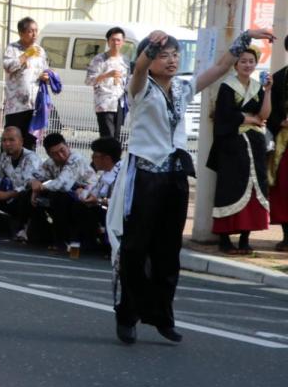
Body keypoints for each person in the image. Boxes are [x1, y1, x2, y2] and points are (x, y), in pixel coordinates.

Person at [107, 26, 275, 345]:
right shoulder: (140, 89)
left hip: (175, 176)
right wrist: (148, 51)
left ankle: (162, 317)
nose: (171, 60)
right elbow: (140, 68)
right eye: (163, 55)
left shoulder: (183, 88)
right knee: (135, 247)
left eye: (174, 54)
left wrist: (246, 36)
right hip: (144, 176)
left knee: (169, 251)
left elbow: (220, 67)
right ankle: (127, 314)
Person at [208, 47, 271, 255]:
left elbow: (263, 115)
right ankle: (224, 239)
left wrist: (268, 91)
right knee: (230, 187)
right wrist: (248, 118)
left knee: (254, 187)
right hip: (232, 144)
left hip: (254, 143)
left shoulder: (257, 86)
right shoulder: (227, 86)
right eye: (243, 61)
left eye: (251, 61)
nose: (247, 64)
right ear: (236, 64)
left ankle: (245, 237)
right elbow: (224, 115)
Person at [26, 132, 94, 252]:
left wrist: (40, 187)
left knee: (58, 196)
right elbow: (33, 176)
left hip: (87, 198)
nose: (61, 156)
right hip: (68, 195)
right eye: (55, 154)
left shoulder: (76, 159)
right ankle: (37, 234)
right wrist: (34, 183)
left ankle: (62, 240)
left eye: (62, 150)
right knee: (26, 195)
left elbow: (62, 184)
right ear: (49, 154)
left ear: (68, 146)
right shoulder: (50, 163)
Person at [0, 126, 42, 238]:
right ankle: (1, 229)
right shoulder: (3, 157)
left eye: (11, 140)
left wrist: (6, 195)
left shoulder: (31, 158)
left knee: (25, 195)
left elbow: (27, 185)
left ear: (21, 141)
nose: (7, 144)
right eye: (4, 140)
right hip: (11, 199)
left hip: (27, 203)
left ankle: (23, 230)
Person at [1, 17, 49, 150]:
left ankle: (29, 168)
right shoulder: (13, 48)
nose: (34, 34)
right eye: (30, 31)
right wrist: (26, 55)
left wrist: (46, 76)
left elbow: (45, 69)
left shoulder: (40, 51)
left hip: (34, 104)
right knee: (11, 140)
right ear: (21, 33)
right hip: (16, 106)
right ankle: (6, 167)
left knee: (30, 141)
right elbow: (8, 67)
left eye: (36, 31)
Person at [86, 27, 129, 139]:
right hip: (104, 104)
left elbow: (127, 81)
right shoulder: (99, 59)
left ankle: (115, 157)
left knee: (116, 137)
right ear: (108, 41)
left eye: (118, 40)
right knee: (107, 137)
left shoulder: (125, 60)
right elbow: (89, 80)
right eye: (113, 40)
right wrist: (107, 75)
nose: (116, 43)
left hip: (119, 103)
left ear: (123, 42)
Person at [267, 40, 288, 250]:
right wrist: (280, 122)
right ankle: (287, 235)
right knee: (283, 188)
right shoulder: (279, 79)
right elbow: (268, 111)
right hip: (284, 141)